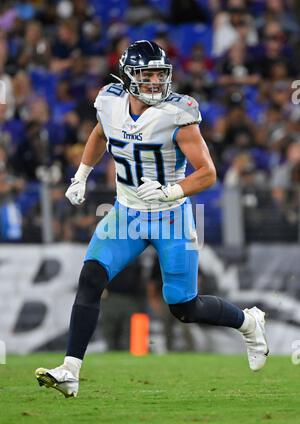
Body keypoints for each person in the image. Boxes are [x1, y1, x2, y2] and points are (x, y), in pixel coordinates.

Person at [35, 40, 268, 398]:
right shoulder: (109, 102)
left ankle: (249, 323)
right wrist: (81, 174)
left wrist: (171, 191)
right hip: (126, 213)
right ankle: (70, 369)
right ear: (128, 76)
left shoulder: (178, 113)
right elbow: (100, 133)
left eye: (161, 74)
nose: (156, 82)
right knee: (92, 276)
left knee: (183, 307)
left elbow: (208, 173)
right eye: (147, 75)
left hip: (171, 216)